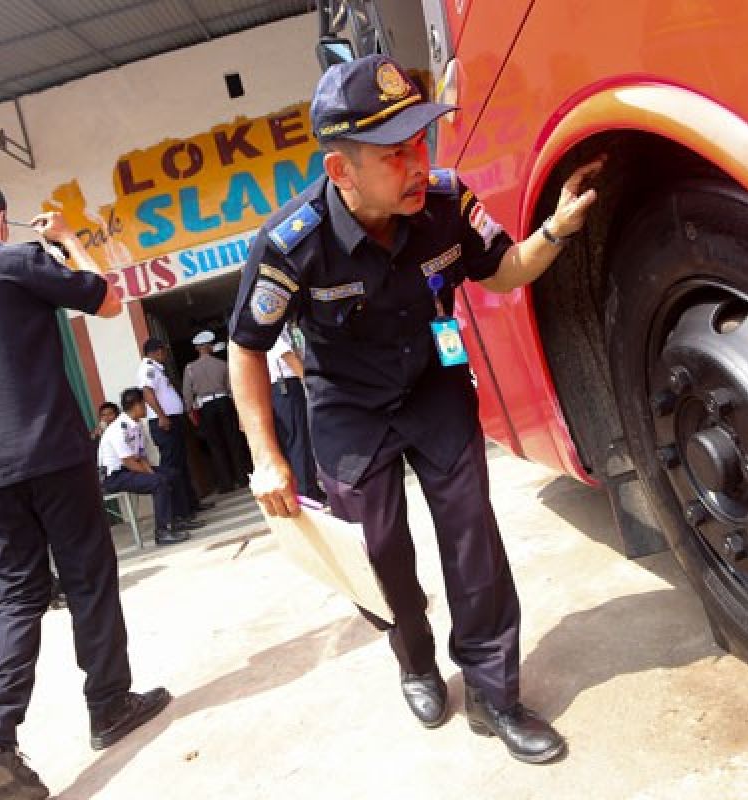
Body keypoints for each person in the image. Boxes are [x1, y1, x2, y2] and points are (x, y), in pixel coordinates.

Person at [228, 55, 603, 764]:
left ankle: (496, 694)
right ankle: (416, 661)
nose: (417, 162)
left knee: (473, 540)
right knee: (379, 558)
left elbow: (505, 270)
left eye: (420, 143)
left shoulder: (445, 204)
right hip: (346, 407)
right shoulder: (291, 243)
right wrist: (266, 458)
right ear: (342, 171)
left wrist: (555, 229)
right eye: (394, 153)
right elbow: (246, 348)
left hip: (434, 389)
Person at [0, 179, 171, 800]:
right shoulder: (16, 260)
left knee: (18, 597)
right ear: (0, 221)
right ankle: (108, 705)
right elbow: (106, 301)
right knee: (88, 577)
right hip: (49, 451)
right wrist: (68, 238)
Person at [99, 388, 201, 545]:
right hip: (114, 476)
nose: (146, 408)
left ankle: (178, 519)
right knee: (158, 482)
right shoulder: (119, 429)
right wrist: (153, 475)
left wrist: (151, 471)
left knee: (173, 474)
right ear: (136, 405)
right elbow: (128, 461)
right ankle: (162, 532)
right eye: (144, 404)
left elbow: (141, 457)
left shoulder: (136, 425)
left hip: (131, 468)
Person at [137, 338, 214, 516]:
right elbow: (147, 393)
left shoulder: (156, 369)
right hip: (164, 423)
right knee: (172, 468)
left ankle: (191, 504)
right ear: (156, 351)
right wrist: (162, 416)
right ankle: (180, 512)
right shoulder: (147, 369)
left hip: (172, 420)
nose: (165, 354)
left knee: (181, 465)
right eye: (163, 351)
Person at [182, 331, 250, 493]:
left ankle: (226, 483)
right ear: (208, 346)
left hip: (206, 407)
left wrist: (190, 412)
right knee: (233, 440)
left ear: (198, 348)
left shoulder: (190, 368)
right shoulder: (222, 364)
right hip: (224, 402)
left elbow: (187, 394)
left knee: (215, 445)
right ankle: (242, 478)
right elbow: (231, 388)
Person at [266, 325, 323, 502]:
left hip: (284, 387)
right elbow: (286, 354)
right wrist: (309, 382)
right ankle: (307, 491)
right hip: (286, 387)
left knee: (300, 440)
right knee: (298, 441)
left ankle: (310, 487)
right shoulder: (273, 326)